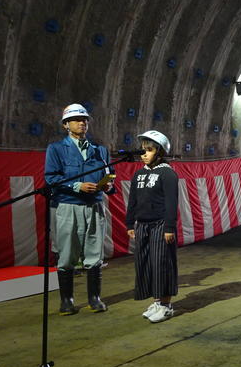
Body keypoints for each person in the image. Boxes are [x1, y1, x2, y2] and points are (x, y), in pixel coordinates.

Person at [44, 103, 114, 315]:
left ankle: (94, 298)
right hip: (68, 206)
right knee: (66, 254)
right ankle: (67, 301)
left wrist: (109, 185)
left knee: (94, 253)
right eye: (76, 120)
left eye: (85, 120)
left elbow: (110, 176)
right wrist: (77, 185)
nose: (82, 123)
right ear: (66, 125)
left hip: (94, 206)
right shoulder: (56, 149)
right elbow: (51, 178)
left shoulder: (100, 151)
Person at [125, 130, 179, 323]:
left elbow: (172, 203)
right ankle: (157, 302)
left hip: (161, 225)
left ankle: (166, 306)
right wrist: (130, 223)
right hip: (142, 226)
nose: (144, 154)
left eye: (149, 150)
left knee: (161, 264)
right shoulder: (138, 174)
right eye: (143, 150)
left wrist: (169, 228)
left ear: (160, 152)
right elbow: (133, 200)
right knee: (146, 264)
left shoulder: (167, 173)